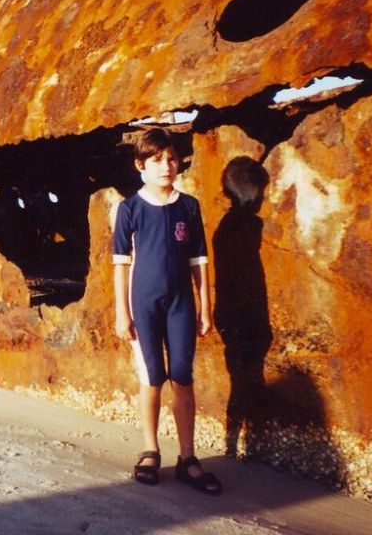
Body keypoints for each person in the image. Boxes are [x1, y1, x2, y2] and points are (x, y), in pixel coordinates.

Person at [112, 128, 221, 495]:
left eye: (171, 158)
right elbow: (121, 264)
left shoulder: (188, 206)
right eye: (157, 160)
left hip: (181, 304)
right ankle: (151, 449)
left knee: (181, 375)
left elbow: (199, 261)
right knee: (152, 376)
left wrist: (205, 307)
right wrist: (121, 313)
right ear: (140, 165)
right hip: (143, 304)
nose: (166, 166)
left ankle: (188, 456)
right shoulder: (130, 208)